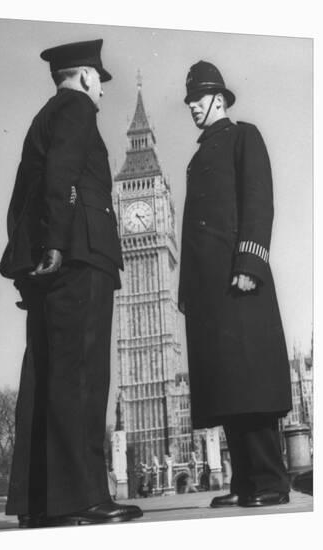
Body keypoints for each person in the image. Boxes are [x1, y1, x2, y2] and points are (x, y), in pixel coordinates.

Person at [0, 39, 142, 528]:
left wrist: (29, 263)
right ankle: (83, 499)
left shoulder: (43, 117)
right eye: (99, 79)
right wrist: (59, 243)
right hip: (80, 257)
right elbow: (61, 176)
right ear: (83, 76)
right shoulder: (77, 107)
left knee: (45, 379)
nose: (101, 89)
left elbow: (22, 200)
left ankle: (40, 504)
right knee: (81, 378)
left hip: (48, 264)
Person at [178, 61, 292, 508]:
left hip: (239, 279)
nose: (191, 107)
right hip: (209, 291)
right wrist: (187, 290)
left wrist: (249, 260)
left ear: (219, 100)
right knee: (228, 386)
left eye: (198, 100)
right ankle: (244, 481)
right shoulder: (196, 156)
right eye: (188, 101)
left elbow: (258, 199)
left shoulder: (245, 136)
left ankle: (269, 481)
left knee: (252, 383)